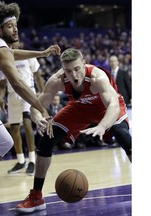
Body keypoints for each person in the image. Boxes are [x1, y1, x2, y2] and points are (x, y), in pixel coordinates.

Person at [15, 48, 132, 213]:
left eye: (77, 69)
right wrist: (37, 118)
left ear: (84, 64)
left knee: (123, 137)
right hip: (79, 108)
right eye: (68, 71)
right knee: (46, 139)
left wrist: (102, 126)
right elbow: (37, 105)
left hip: (105, 107)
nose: (74, 75)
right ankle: (36, 197)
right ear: (63, 70)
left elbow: (113, 105)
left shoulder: (97, 77)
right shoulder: (57, 80)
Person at [0, 1, 60, 170]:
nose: (16, 29)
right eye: (10, 26)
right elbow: (18, 83)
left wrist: (42, 53)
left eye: (16, 26)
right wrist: (42, 108)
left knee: (4, 142)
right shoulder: (0, 50)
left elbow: (13, 54)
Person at [0, 40, 45, 175]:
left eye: (17, 41)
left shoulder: (28, 56)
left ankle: (32, 160)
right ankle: (20, 161)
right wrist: (0, 97)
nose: (15, 43)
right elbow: (2, 84)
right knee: (14, 127)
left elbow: (37, 75)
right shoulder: (3, 57)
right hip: (12, 95)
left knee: (27, 121)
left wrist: (43, 92)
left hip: (27, 91)